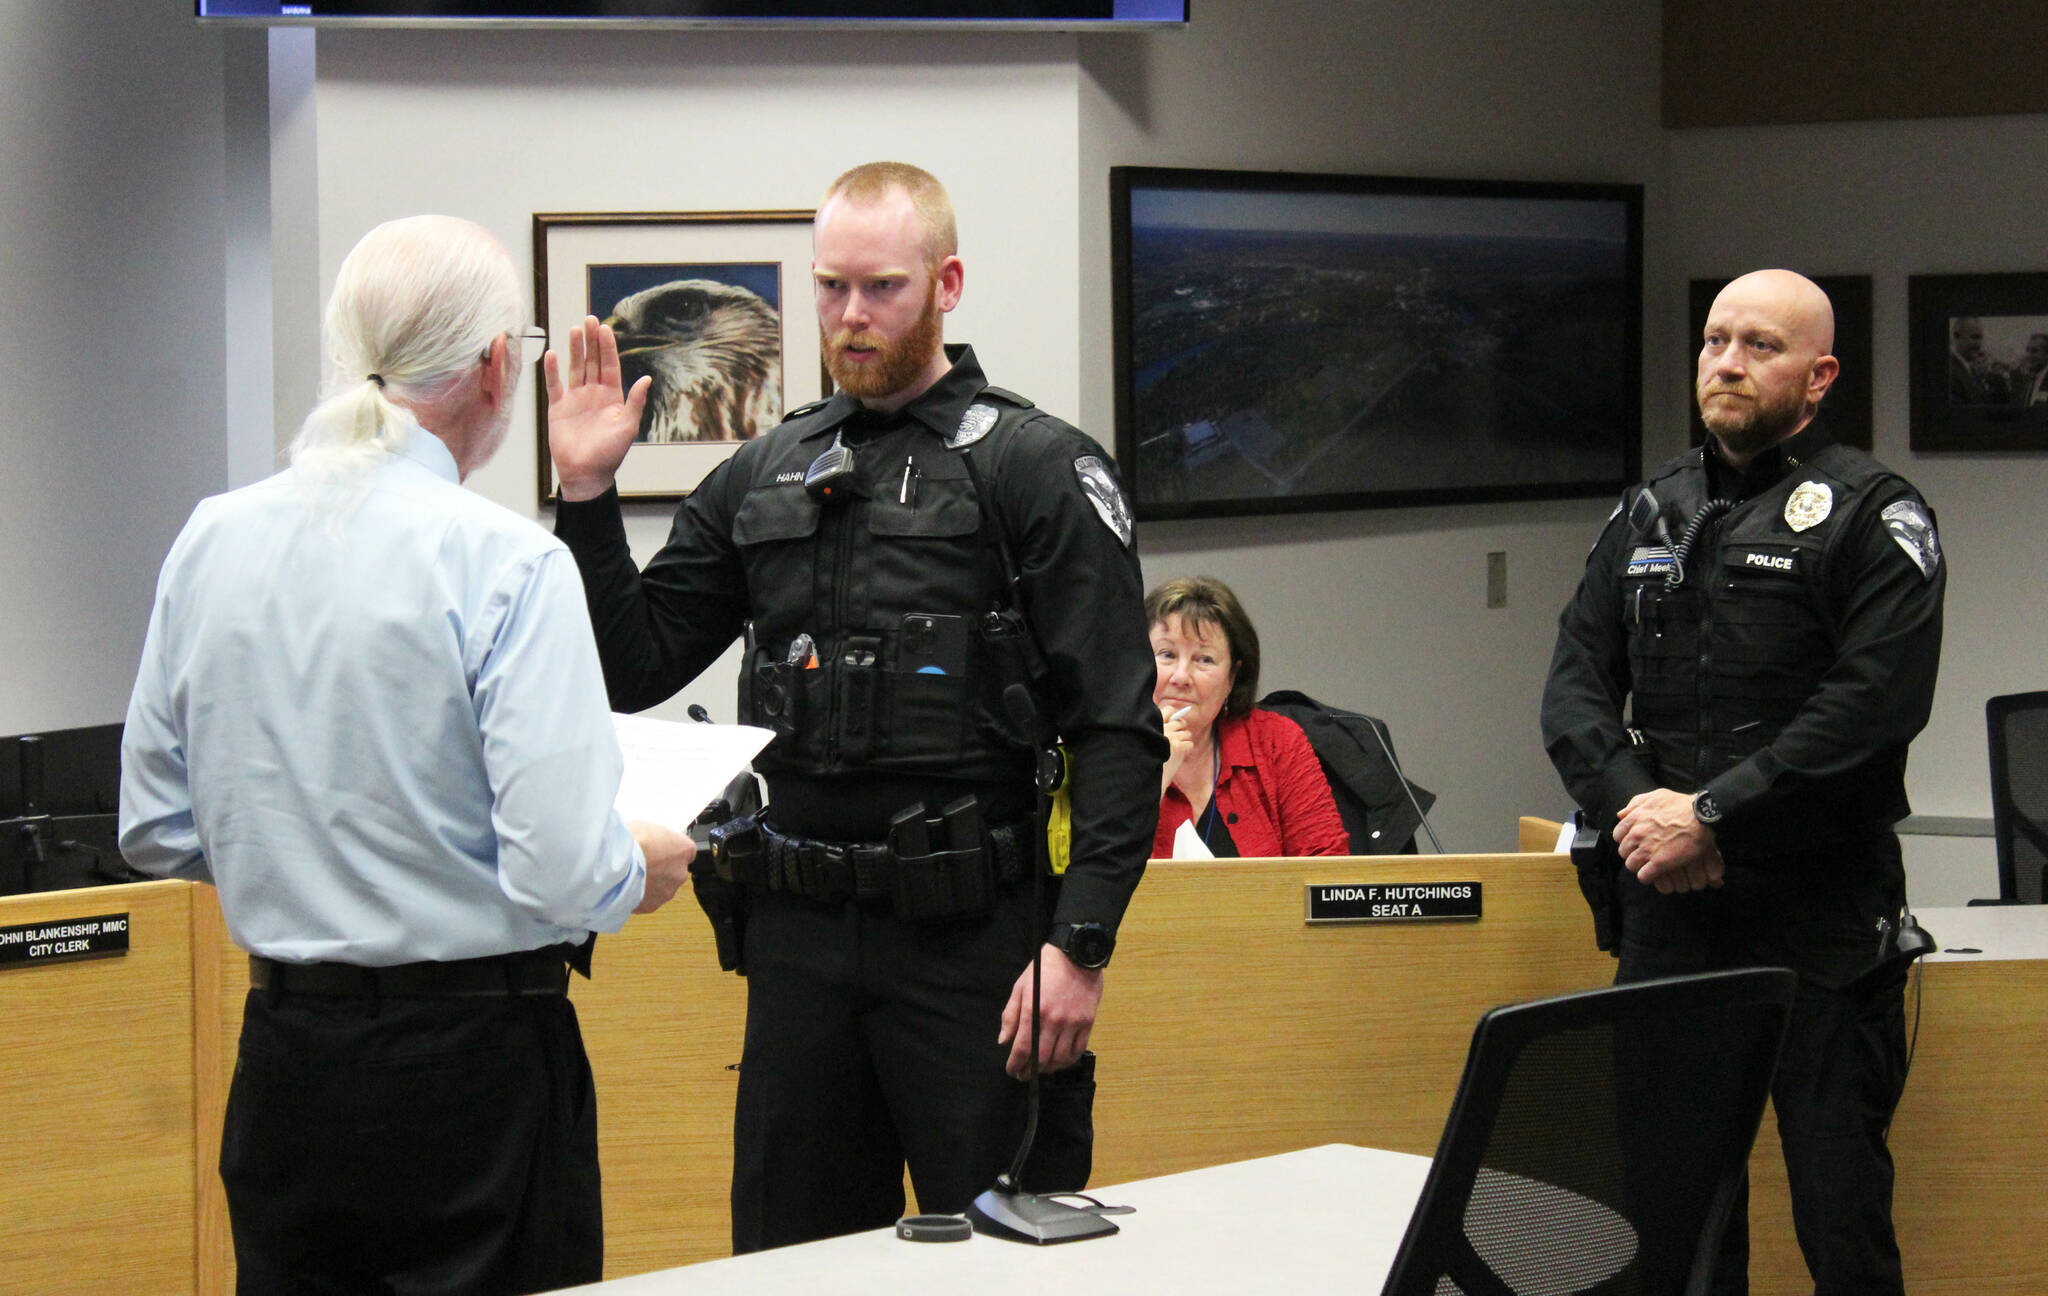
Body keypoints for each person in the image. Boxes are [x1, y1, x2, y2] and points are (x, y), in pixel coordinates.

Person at [546, 161, 1164, 1251]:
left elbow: (1115, 727)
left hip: (976, 946)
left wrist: (1080, 946)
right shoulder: (767, 470)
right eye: (830, 288)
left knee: (1007, 1262)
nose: (850, 316)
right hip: (799, 951)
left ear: (946, 282)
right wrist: (588, 497)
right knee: (791, 1261)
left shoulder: (1034, 467)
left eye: (880, 288)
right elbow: (632, 662)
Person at [117, 215, 696, 1295]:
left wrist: (309, 852)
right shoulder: (509, 565)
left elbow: (154, 829)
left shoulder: (211, 538)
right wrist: (639, 868)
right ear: (491, 366)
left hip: (286, 1060)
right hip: (472, 1073)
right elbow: (562, 869)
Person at [1541, 268, 1944, 1296]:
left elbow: (1871, 707)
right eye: (1715, 340)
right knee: (1675, 1220)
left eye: (1758, 345)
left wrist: (1711, 813)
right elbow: (1574, 688)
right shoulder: (1647, 510)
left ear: (1818, 378)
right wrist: (1643, 811)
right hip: (1670, 915)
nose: (1724, 362)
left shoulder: (1873, 514)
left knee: (1839, 1216)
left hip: (1818, 921)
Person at [1146, 577, 1348, 858]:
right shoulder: (1101, 748)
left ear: (1233, 676)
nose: (1181, 677)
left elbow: (1327, 869)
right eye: (1166, 654)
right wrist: (1151, 778)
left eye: (1204, 659)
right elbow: (1093, 878)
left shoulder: (1276, 742)